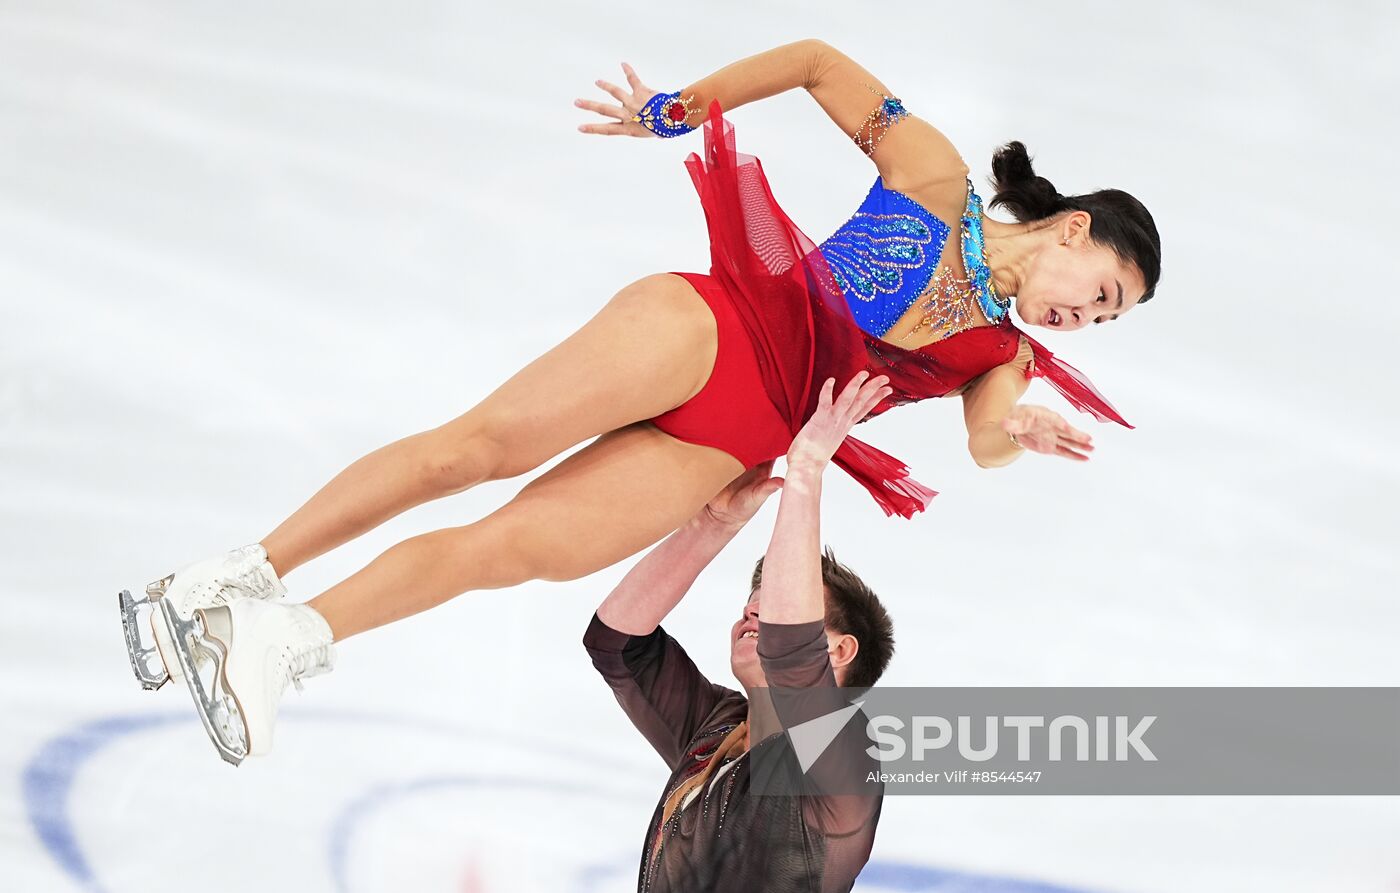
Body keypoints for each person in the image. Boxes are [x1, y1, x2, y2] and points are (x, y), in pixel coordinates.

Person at [116, 39, 1161, 764]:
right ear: (1070, 231)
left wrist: (1015, 427)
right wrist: (684, 105)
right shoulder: (931, 178)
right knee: (474, 450)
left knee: (513, 547)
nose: (1090, 320)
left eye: (1109, 322)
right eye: (1103, 294)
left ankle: (281, 639)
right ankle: (235, 573)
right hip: (701, 332)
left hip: (731, 444)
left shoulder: (1000, 356)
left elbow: (985, 439)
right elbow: (815, 64)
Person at [585, 372, 893, 893]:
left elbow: (790, 656)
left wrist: (806, 472)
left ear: (840, 650)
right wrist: (711, 525)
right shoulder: (718, 725)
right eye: (752, 606)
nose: (755, 614)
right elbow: (618, 643)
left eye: (772, 606)